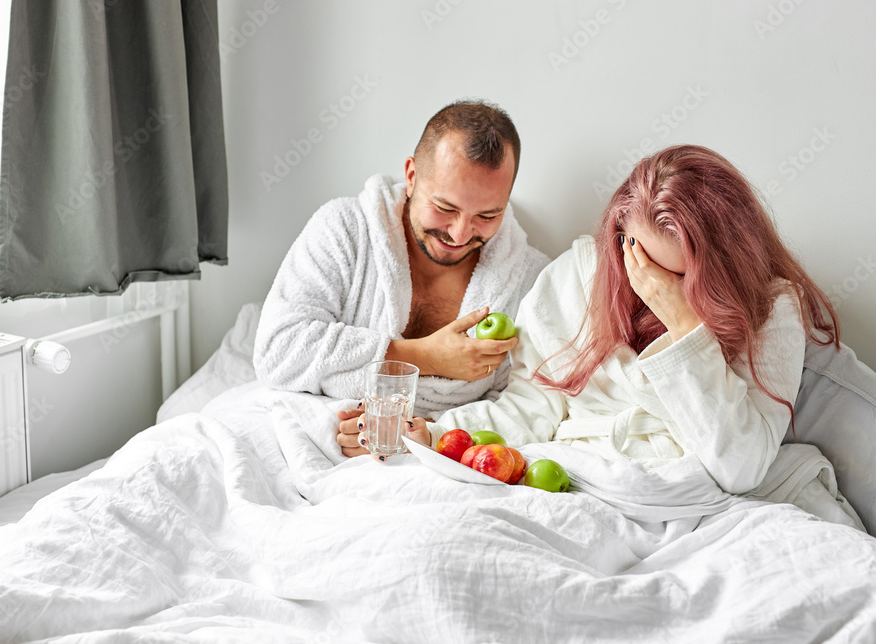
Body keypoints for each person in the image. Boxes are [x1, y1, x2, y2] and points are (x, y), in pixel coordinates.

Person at [362, 144, 853, 509]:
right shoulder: (581, 274)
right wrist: (437, 434)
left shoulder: (773, 310)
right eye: (639, 260)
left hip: (680, 492)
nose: (649, 286)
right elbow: (535, 403)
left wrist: (685, 327)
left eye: (674, 277)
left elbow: (741, 466)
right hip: (576, 480)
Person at [253, 100, 550, 457]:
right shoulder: (343, 229)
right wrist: (424, 356)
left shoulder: (530, 280)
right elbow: (278, 350)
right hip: (318, 435)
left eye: (487, 215)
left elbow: (530, 406)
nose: (459, 234)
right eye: (444, 208)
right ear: (411, 176)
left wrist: (427, 436)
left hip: (439, 455)